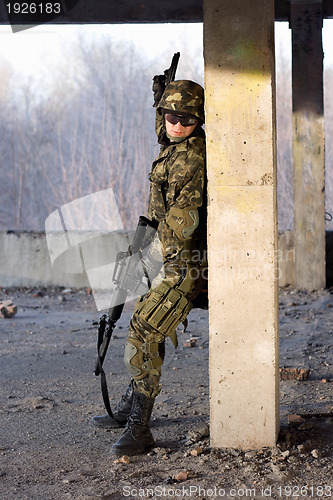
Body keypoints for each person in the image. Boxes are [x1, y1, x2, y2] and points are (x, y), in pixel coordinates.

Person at [90, 78, 207, 456]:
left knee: (145, 326)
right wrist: (159, 98)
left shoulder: (191, 158)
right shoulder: (173, 144)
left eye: (186, 119)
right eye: (170, 116)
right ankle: (129, 406)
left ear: (198, 119)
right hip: (164, 253)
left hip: (185, 261)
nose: (176, 124)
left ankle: (140, 426)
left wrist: (146, 259)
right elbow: (164, 130)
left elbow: (181, 228)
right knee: (144, 324)